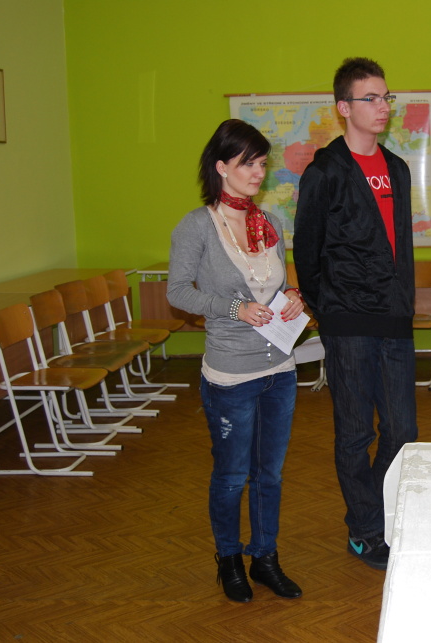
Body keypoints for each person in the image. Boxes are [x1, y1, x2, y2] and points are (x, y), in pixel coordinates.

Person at [168, 119, 305, 603]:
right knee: (230, 477)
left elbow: (278, 283)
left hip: (280, 370)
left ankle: (264, 558)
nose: (258, 172)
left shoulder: (270, 223)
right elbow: (177, 292)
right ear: (222, 166)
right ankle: (228, 560)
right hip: (231, 374)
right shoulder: (197, 225)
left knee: (270, 474)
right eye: (248, 163)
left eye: (263, 163)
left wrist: (294, 296)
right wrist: (234, 308)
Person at [293, 57, 418, 570]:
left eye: (386, 97)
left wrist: (403, 301)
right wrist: (329, 308)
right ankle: (365, 529)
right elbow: (307, 249)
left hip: (394, 318)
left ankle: (380, 512)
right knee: (354, 434)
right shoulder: (325, 171)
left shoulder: (398, 169)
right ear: (343, 108)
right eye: (371, 98)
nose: (383, 106)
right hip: (347, 320)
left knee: (403, 432)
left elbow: (401, 244)